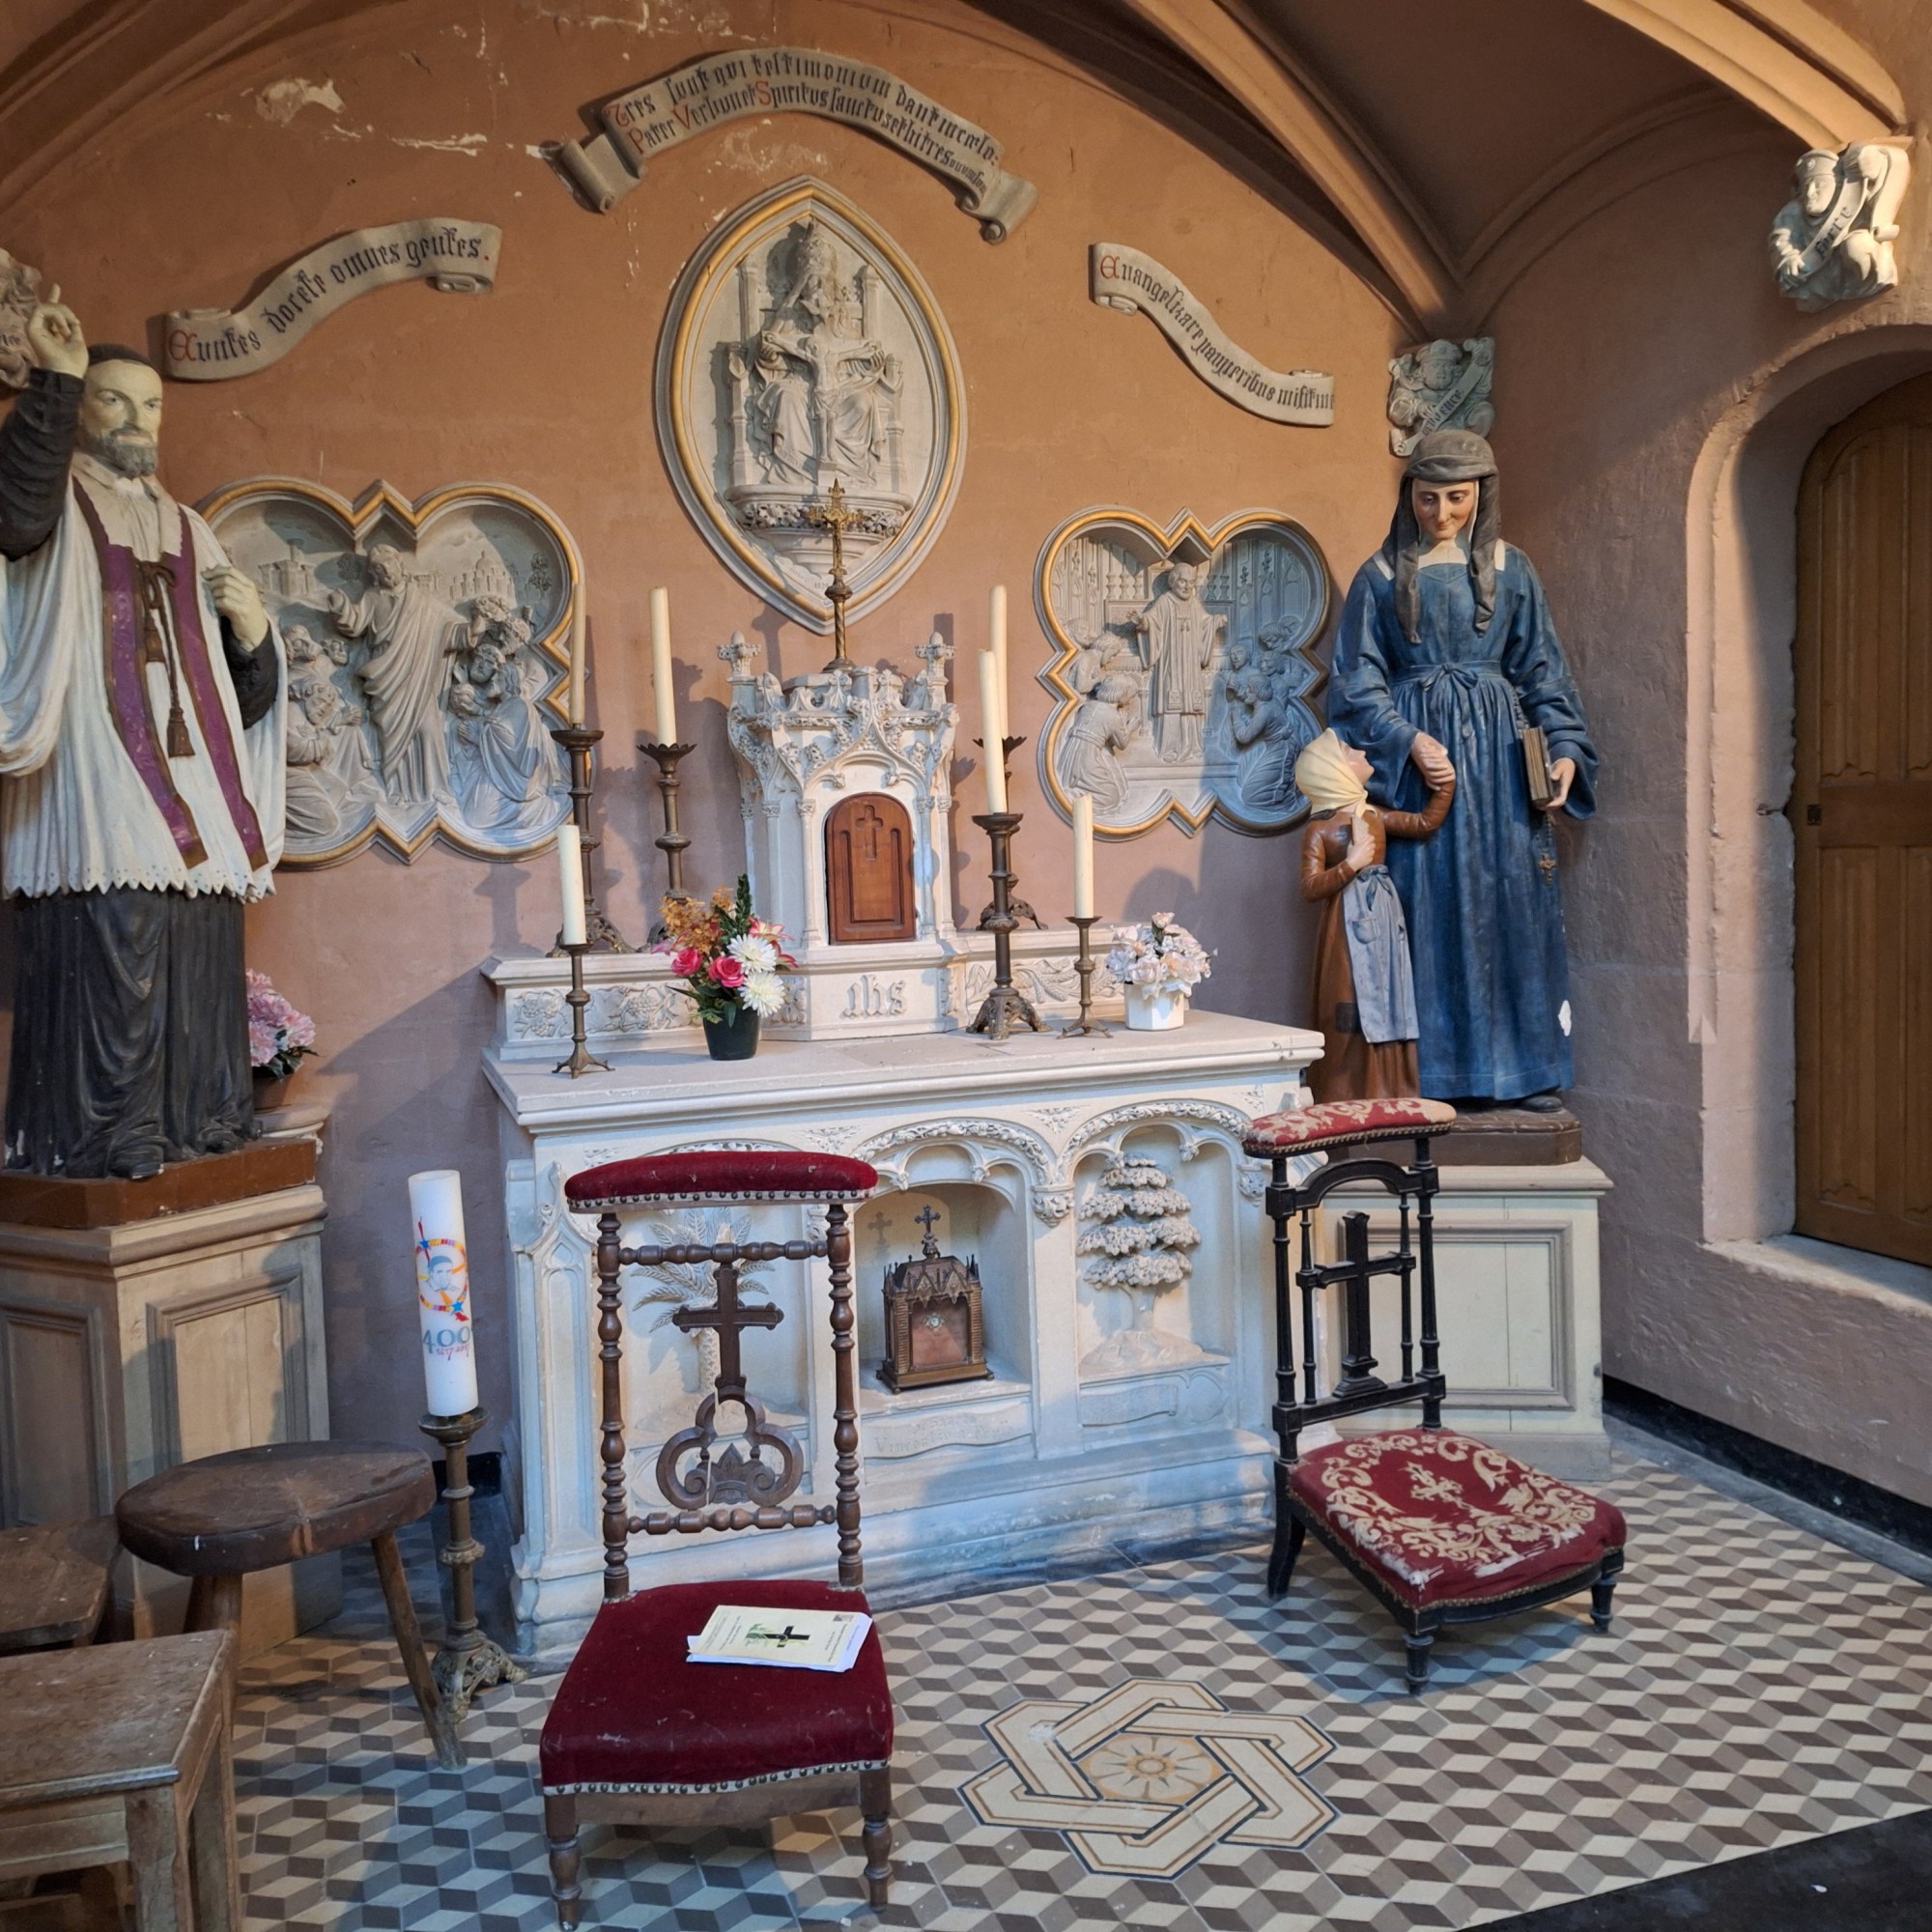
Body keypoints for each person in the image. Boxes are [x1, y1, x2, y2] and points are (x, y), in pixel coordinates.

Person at [0, 296, 284, 1177]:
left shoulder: (189, 528)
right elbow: (12, 514)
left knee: (202, 939)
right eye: (113, 399)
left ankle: (202, 1121)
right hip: (95, 764)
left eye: (151, 403)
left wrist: (253, 637)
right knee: (118, 929)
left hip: (195, 772)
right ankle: (104, 1136)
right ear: (82, 408)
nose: (137, 419)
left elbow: (244, 703)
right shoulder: (54, 506)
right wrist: (53, 380)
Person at [1327, 429, 1595, 1109]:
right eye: (1428, 498)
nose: (1442, 513)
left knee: (1510, 906)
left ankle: (1522, 1071)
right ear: (1408, 496)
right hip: (1420, 775)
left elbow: (1543, 671)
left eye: (1456, 497)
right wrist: (1407, 738)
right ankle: (1430, 1075)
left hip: (1501, 767)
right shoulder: (1378, 576)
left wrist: (1564, 747)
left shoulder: (1513, 569)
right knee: (1424, 910)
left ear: (1481, 494)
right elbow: (1356, 682)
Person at [1296, 729, 1453, 1102]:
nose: (1362, 752)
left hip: (1383, 916)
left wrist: (1445, 786)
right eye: (1349, 751)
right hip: (1344, 926)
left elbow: (1422, 824)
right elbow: (1309, 887)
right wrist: (1350, 865)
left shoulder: (1372, 815)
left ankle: (1391, 1086)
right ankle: (1346, 1088)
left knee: (1389, 993)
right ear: (1335, 771)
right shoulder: (1320, 829)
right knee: (1349, 999)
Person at [1132, 561, 1224, 763]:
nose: (1187, 586)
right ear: (1173, 582)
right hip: (1171, 661)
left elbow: (1205, 622)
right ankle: (1170, 747)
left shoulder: (1194, 603)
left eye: (1191, 582)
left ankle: (1193, 746)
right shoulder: (1165, 601)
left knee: (1191, 701)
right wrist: (1141, 622)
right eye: (1183, 581)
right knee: (1171, 700)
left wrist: (1215, 621)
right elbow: (1151, 621)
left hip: (1190, 662)